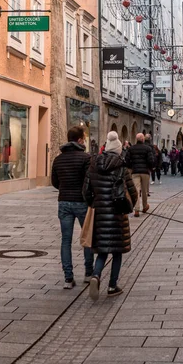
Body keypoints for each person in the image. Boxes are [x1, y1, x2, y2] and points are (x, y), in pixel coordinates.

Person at [83, 131, 137, 300]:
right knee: (117, 252)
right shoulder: (121, 167)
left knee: (102, 251)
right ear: (119, 149)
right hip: (117, 215)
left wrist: (94, 203)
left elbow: (86, 191)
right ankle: (112, 286)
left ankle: (96, 275)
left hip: (100, 215)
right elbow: (133, 193)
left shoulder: (93, 164)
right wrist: (129, 206)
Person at [51, 126, 94, 289]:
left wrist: (65, 188)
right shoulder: (86, 158)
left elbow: (54, 182)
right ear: (80, 140)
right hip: (82, 202)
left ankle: (68, 278)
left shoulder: (58, 159)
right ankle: (88, 274)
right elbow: (89, 181)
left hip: (64, 202)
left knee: (65, 240)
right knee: (87, 238)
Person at [125, 133, 154, 217]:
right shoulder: (147, 148)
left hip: (135, 172)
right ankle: (145, 206)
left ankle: (136, 210)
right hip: (145, 172)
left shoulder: (131, 148)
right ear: (143, 139)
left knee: (136, 190)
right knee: (144, 191)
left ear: (136, 139)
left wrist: (131, 167)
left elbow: (127, 160)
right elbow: (151, 160)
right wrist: (149, 168)